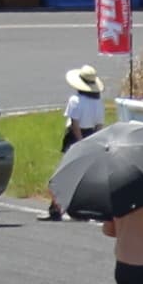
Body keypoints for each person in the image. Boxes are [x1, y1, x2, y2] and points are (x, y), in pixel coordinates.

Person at [46, 67, 105, 223]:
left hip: (76, 138)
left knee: (64, 173)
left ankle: (56, 208)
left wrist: (79, 142)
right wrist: (93, 142)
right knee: (84, 175)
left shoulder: (75, 100)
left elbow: (75, 124)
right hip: (91, 136)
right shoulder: (98, 103)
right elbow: (99, 126)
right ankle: (84, 209)